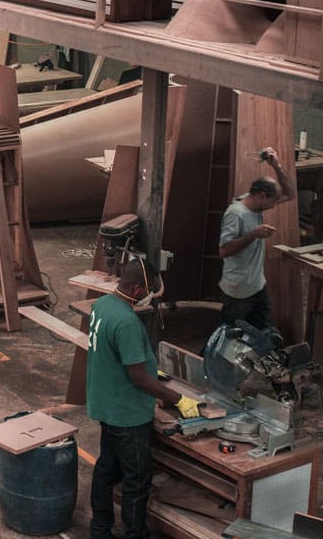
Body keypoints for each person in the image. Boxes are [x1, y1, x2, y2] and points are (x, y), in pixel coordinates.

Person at [88, 259, 201, 539]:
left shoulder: (103, 305)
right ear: (138, 289)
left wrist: (149, 367)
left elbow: (115, 355)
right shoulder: (126, 321)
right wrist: (177, 398)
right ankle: (135, 534)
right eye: (149, 290)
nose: (150, 295)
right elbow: (137, 377)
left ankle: (100, 529)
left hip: (106, 405)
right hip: (127, 414)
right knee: (137, 480)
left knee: (106, 469)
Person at [218, 148, 295, 329]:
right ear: (262, 196)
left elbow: (291, 194)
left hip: (257, 286)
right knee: (229, 338)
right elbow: (224, 250)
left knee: (263, 333)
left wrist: (277, 166)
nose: (274, 206)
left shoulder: (255, 204)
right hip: (238, 291)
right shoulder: (236, 214)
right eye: (273, 201)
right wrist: (253, 234)